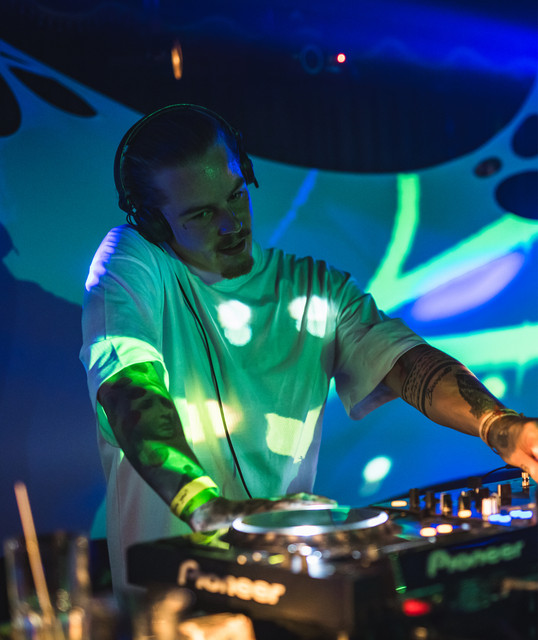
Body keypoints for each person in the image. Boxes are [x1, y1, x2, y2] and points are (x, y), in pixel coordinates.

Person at [80, 104, 538, 605]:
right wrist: (206, 507)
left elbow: (409, 364)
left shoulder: (315, 289)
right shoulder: (133, 261)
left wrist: (499, 424)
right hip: (166, 609)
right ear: (153, 221)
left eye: (236, 195)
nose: (232, 223)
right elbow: (129, 389)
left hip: (286, 594)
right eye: (202, 214)